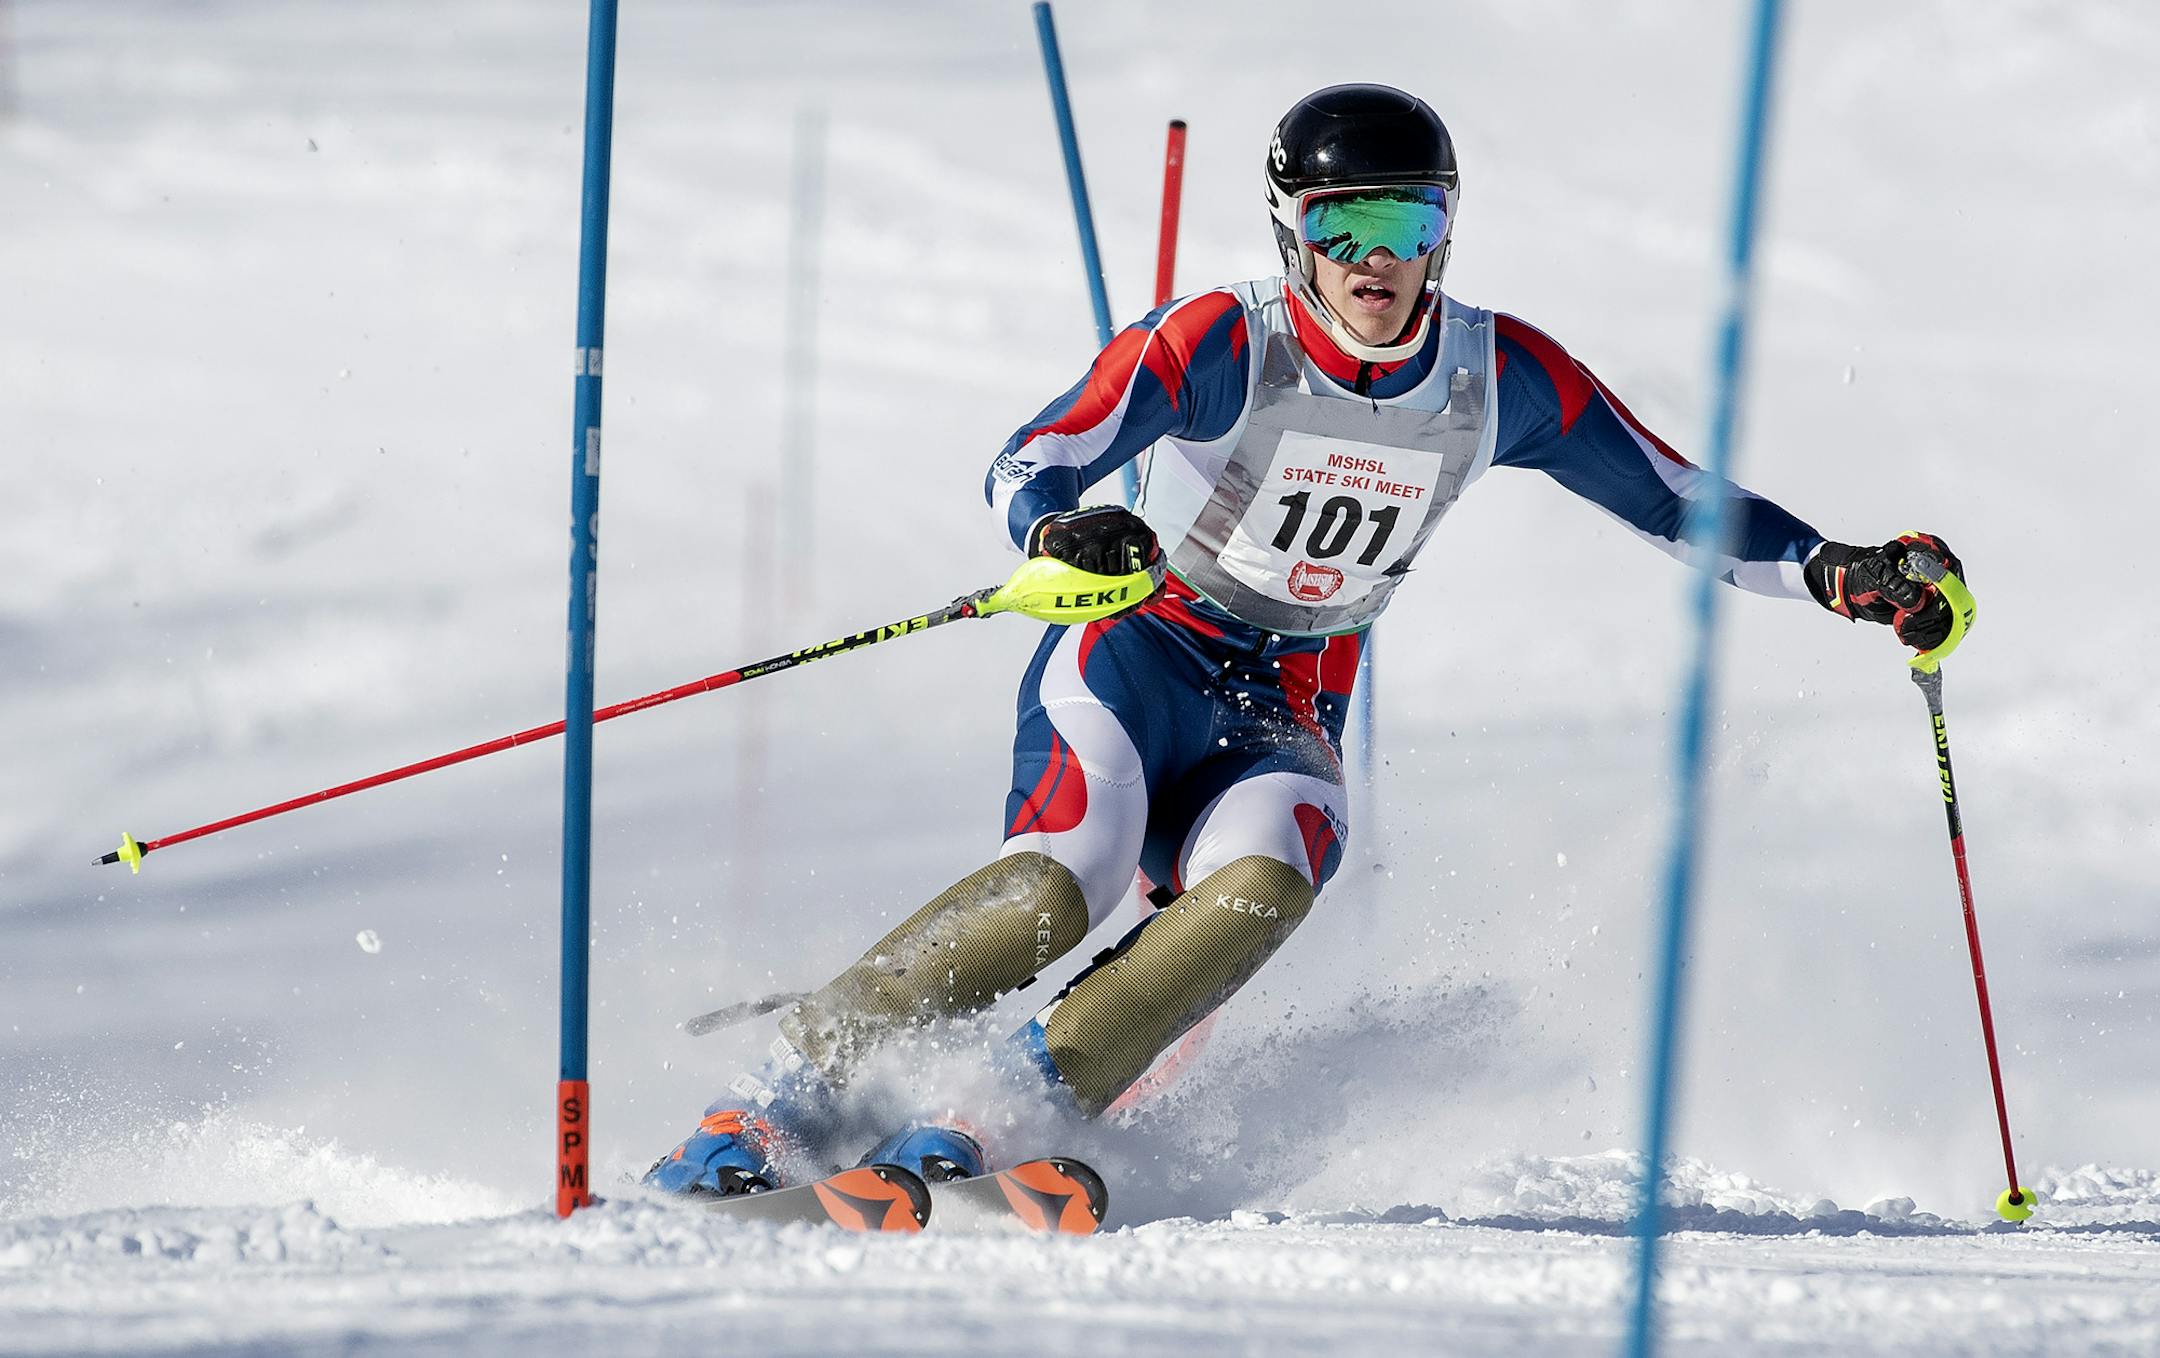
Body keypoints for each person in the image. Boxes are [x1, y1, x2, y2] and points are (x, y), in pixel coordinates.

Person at [645, 83, 1966, 1195]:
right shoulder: (1232, 340)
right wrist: (1058, 529)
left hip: (1287, 701)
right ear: (1294, 232)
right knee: (1058, 889)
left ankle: (998, 1114)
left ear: (1445, 233)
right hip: (1136, 660)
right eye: (1345, 225)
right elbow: (1034, 452)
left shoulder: (1496, 376)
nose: (1376, 260)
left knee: (1269, 880)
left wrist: (1834, 570)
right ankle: (775, 1097)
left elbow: (1674, 496)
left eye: (1409, 223)